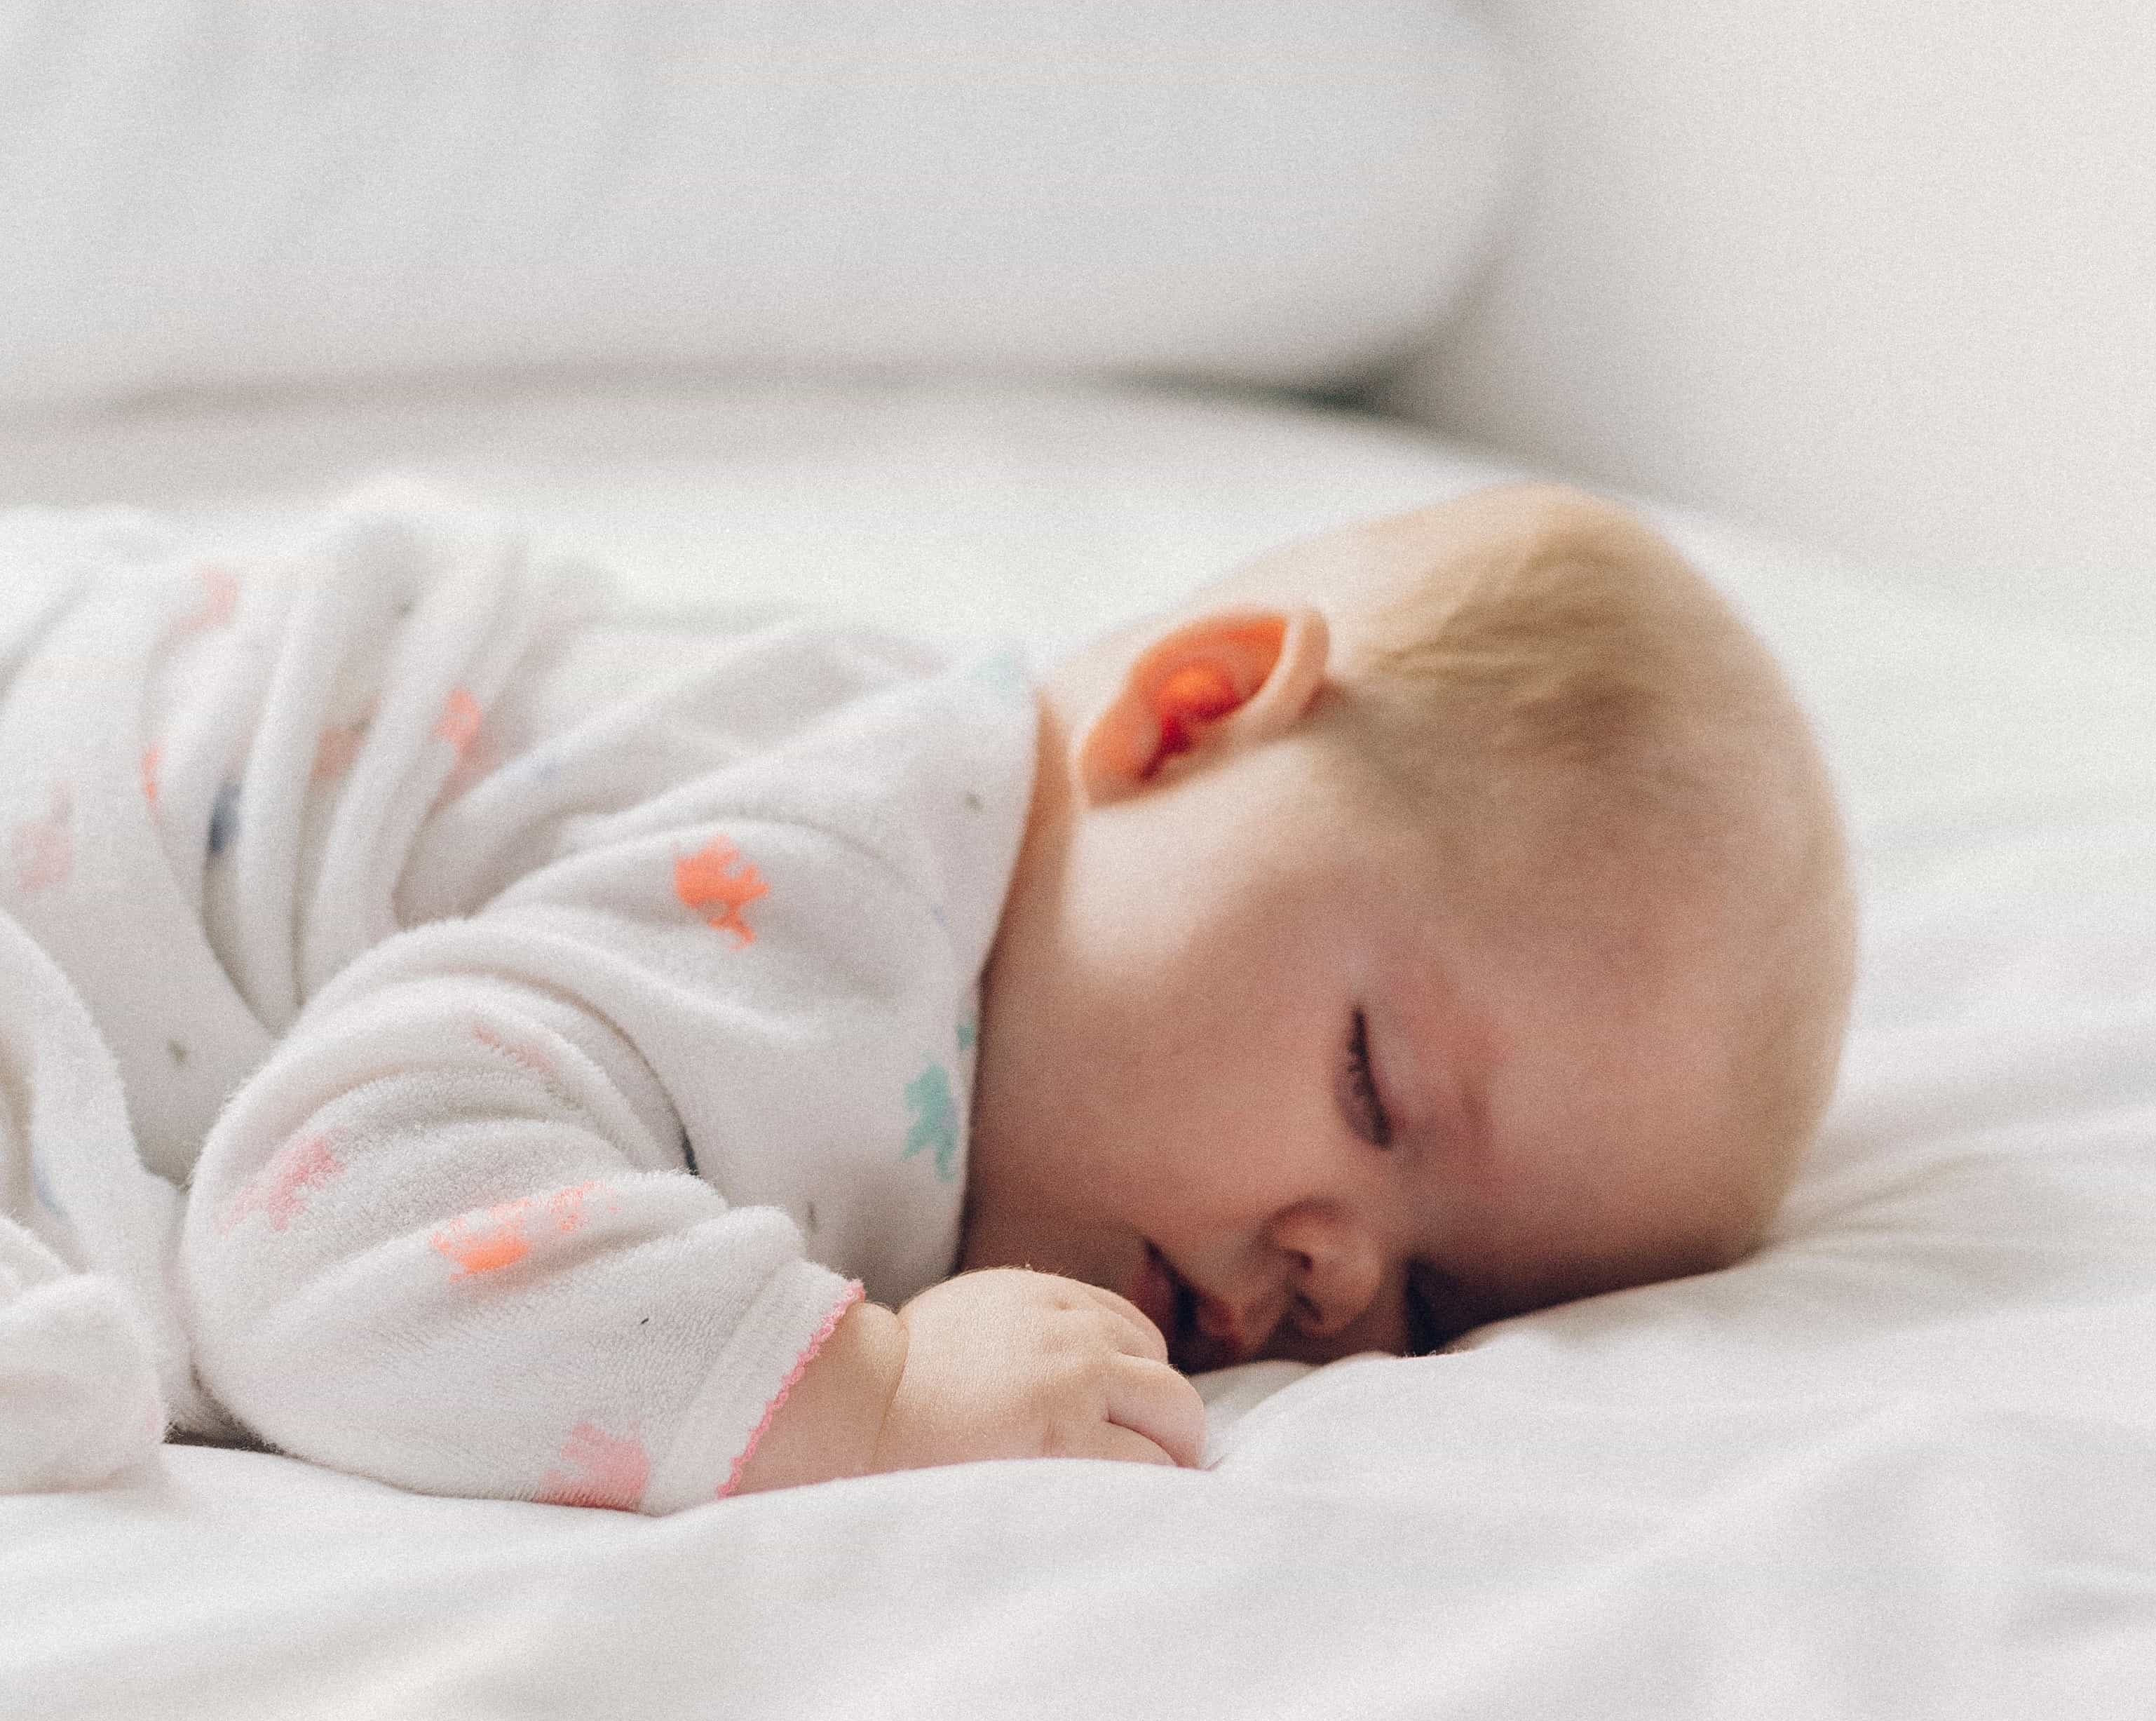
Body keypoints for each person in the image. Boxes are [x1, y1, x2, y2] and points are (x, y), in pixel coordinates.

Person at [0, 478, 1855, 1506]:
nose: (1337, 1275)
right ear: (1191, 717)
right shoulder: (845, 927)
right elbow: (316, 1246)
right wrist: (862, 1393)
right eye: (1373, 1089)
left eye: (1441, 1297)